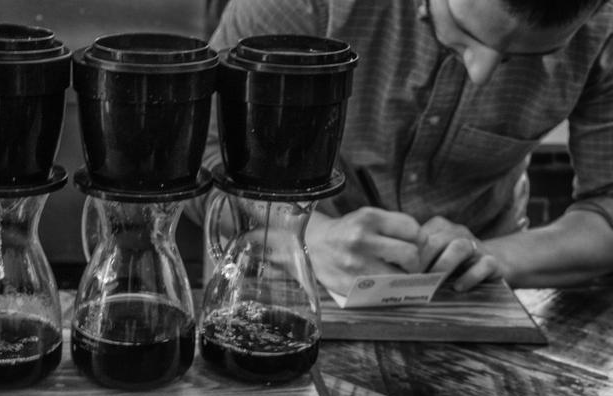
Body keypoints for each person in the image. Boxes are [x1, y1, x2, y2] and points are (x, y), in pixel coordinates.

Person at [185, 0, 613, 294]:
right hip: (288, 285)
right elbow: (199, 160)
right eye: (463, 33)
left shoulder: (604, 31)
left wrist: (499, 258)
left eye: (526, 56)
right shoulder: (301, 5)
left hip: (473, 299)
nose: (481, 74)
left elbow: (606, 205)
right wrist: (306, 236)